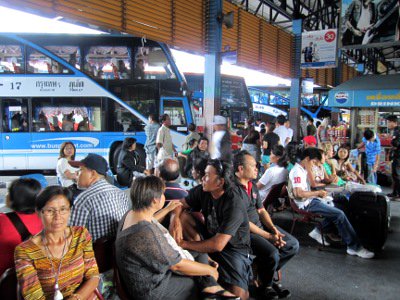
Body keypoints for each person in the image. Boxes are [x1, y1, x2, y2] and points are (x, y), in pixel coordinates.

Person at [115, 176, 238, 300]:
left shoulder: (132, 214)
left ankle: (211, 288)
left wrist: (168, 209)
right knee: (196, 282)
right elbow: (177, 265)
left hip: (146, 272)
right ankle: (210, 288)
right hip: (152, 289)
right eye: (162, 194)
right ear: (154, 201)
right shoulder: (146, 234)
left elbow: (152, 220)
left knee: (199, 253)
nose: (164, 196)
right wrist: (210, 270)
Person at [172, 159, 252, 299]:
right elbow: (178, 204)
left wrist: (183, 244)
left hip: (233, 250)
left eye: (207, 175)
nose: (202, 178)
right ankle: (204, 264)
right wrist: (175, 221)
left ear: (220, 182)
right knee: (184, 217)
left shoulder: (234, 202)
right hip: (210, 237)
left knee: (239, 295)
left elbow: (218, 245)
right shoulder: (204, 190)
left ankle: (205, 267)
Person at [15, 186, 100, 300]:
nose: (58, 217)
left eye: (63, 209)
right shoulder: (25, 251)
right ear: (39, 213)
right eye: (50, 211)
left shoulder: (81, 235)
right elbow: (34, 296)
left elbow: (93, 276)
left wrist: (76, 298)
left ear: (69, 210)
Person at [234, 151, 299, 299]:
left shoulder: (252, 186)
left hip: (260, 227)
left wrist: (273, 228)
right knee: (272, 253)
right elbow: (243, 221)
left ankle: (262, 274)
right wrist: (269, 236)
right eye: (253, 165)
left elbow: (262, 210)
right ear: (240, 169)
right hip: (244, 232)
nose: (257, 168)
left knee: (292, 245)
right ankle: (266, 286)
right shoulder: (233, 190)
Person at [288, 147, 374, 258]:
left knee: (343, 204)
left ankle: (320, 230)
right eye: (314, 162)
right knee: (339, 214)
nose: (314, 166)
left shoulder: (302, 169)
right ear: (307, 159)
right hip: (306, 203)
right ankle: (354, 247)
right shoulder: (297, 172)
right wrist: (318, 193)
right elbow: (299, 193)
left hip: (312, 199)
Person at [69, 153, 130, 240]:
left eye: (80, 170)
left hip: (93, 252)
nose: (76, 174)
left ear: (93, 174)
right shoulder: (120, 193)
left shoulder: (84, 200)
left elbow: (73, 238)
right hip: (116, 249)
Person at [0, 178, 42, 275]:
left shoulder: (2, 220)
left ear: (16, 197)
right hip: (34, 277)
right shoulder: (45, 219)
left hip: (5, 279)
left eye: (8, 192)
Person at [387, 115, 400, 199]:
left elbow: (396, 144)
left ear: (394, 122)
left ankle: (397, 194)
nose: (388, 124)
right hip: (397, 155)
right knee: (395, 174)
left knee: (396, 175)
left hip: (398, 156)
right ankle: (395, 192)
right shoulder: (396, 130)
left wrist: (392, 142)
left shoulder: (397, 131)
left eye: (389, 122)